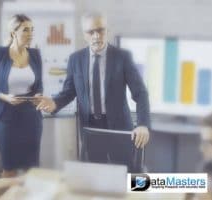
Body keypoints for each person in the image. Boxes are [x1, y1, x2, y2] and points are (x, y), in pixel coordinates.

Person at [37, 12, 150, 170]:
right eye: (91, 32)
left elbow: (141, 93)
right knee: (96, 177)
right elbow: (69, 91)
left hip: (120, 128)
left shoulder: (122, 57)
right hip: (91, 130)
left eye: (100, 30)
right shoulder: (75, 59)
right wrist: (54, 103)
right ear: (84, 35)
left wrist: (143, 124)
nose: (96, 36)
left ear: (106, 30)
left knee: (127, 178)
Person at [0, 14, 43, 178]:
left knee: (32, 169)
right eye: (26, 30)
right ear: (13, 33)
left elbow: (39, 85)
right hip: (7, 118)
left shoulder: (35, 54)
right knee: (9, 168)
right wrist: (4, 97)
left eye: (32, 30)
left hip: (32, 118)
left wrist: (39, 94)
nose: (31, 34)